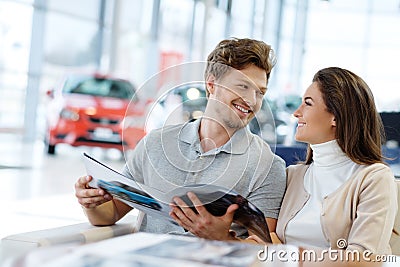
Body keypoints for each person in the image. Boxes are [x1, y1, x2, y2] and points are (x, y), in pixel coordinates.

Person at [75, 38, 287, 240]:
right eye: (243, 86)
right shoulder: (156, 143)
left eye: (260, 92)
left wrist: (221, 239)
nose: (252, 100)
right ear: (211, 85)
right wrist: (91, 203)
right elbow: (110, 214)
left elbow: (263, 246)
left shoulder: (268, 166)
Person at [273, 67, 397, 254]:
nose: (297, 113)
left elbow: (361, 260)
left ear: (336, 116)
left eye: (307, 103)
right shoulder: (291, 176)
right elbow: (265, 239)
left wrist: (287, 253)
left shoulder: (374, 178)